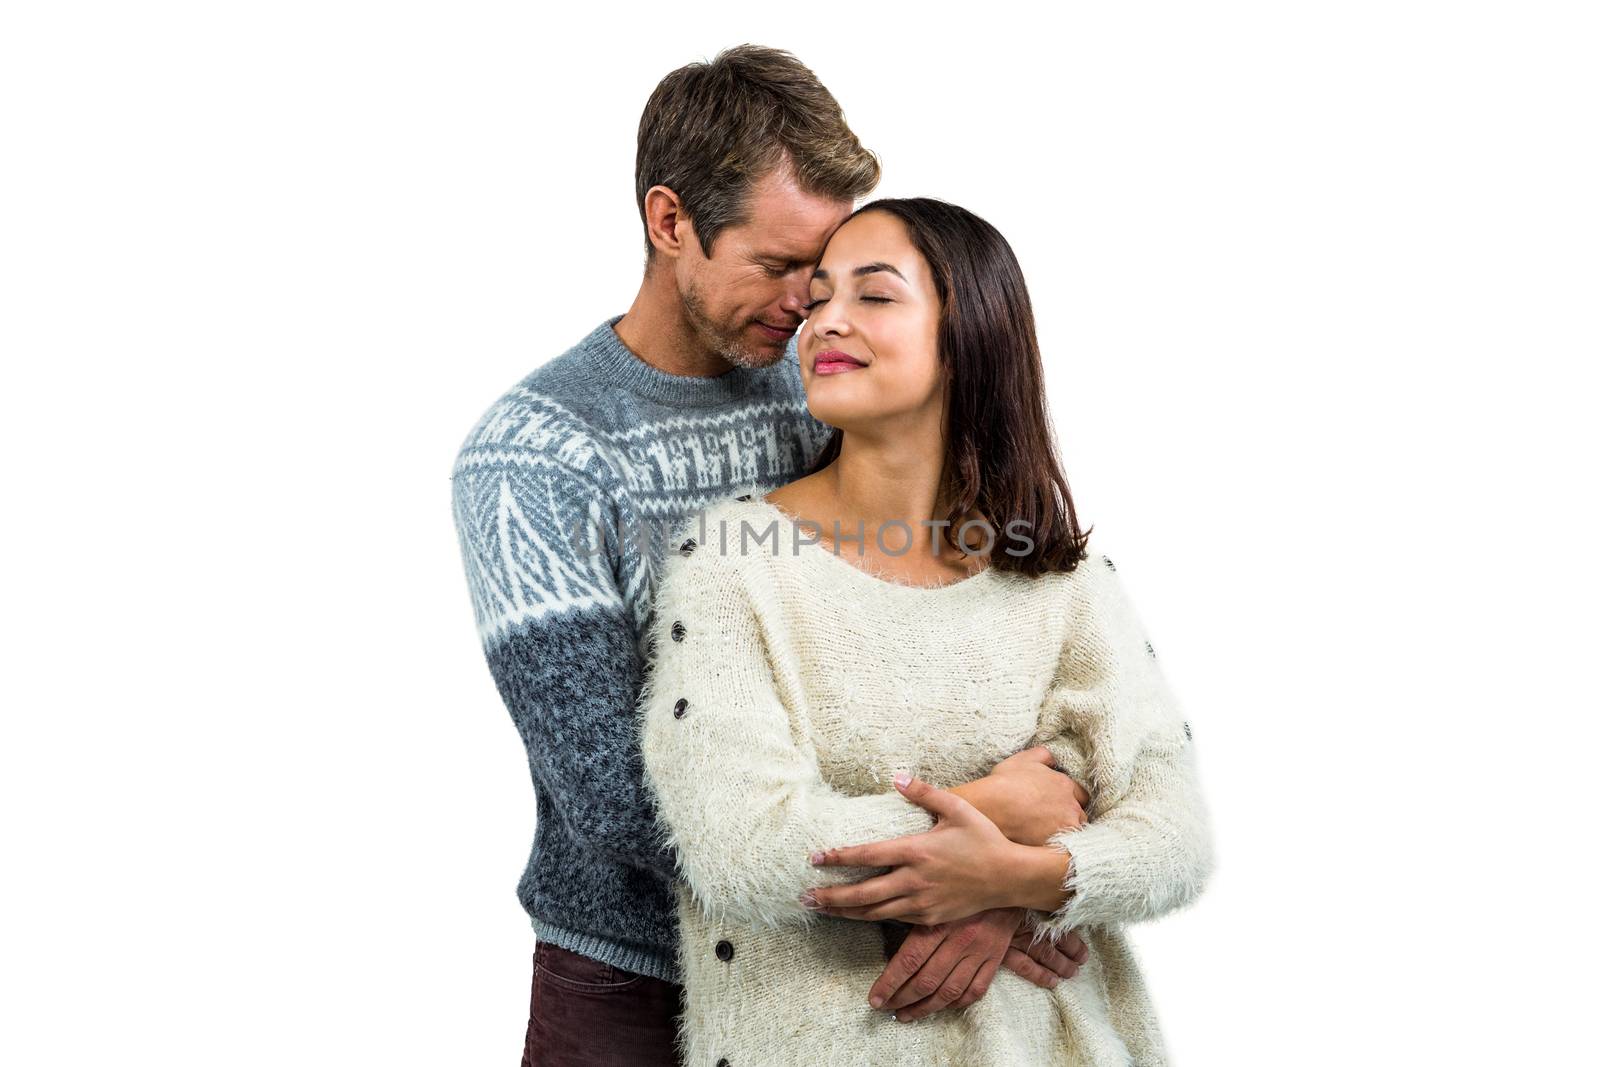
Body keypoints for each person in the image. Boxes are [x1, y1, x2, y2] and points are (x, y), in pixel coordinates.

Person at [449, 47, 1090, 1066]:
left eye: (828, 266)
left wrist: (1006, 872)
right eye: (779, 263)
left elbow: (1010, 640)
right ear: (670, 223)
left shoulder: (834, 390)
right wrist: (967, 863)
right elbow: (614, 798)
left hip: (852, 990)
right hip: (631, 988)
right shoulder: (539, 456)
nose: (810, 303)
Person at [638, 197, 1216, 1066]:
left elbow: (1174, 837)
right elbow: (742, 846)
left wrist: (1012, 883)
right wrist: (995, 814)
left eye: (873, 296)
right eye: (819, 295)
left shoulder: (1061, 580)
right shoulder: (731, 564)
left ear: (968, 334)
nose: (822, 319)